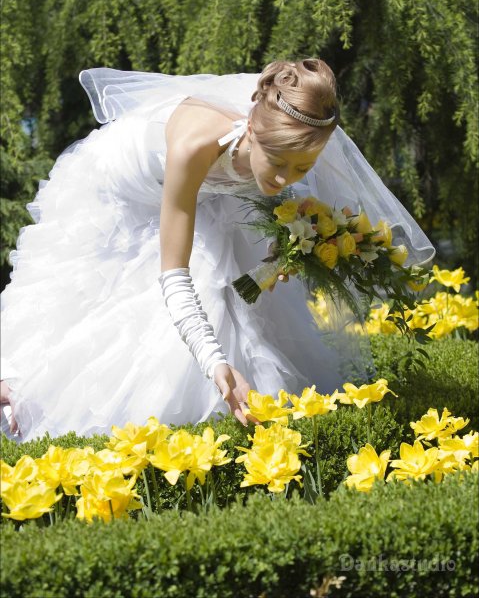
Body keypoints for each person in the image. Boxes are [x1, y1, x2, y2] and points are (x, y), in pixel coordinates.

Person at [0, 59, 434, 443]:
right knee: (95, 296)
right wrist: (214, 362)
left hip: (208, 195)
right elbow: (174, 275)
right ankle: (25, 384)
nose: (285, 178)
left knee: (232, 292)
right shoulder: (194, 147)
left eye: (302, 167)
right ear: (251, 130)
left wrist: (281, 249)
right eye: (277, 163)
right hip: (119, 192)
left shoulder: (287, 138)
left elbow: (282, 199)